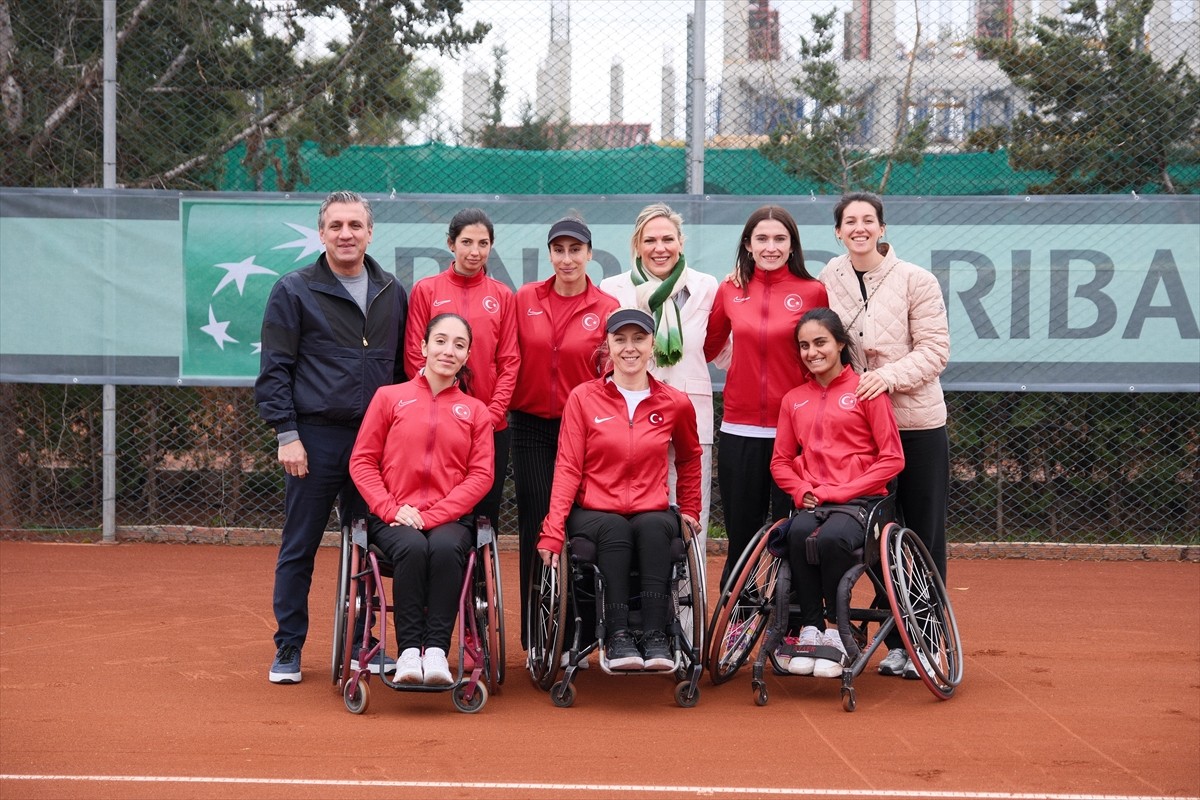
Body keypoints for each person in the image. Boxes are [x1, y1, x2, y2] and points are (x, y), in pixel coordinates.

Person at [255, 190, 408, 684]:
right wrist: (287, 433)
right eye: (336, 226)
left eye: (355, 226)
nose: (346, 234)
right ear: (322, 234)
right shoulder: (293, 289)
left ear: (370, 232)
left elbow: (406, 372)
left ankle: (367, 643)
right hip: (315, 440)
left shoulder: (392, 291)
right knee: (299, 545)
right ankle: (289, 649)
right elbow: (275, 368)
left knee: (370, 547)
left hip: (377, 445)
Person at [818, 191, 950, 680]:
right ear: (837, 231)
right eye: (849, 221)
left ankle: (924, 642)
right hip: (859, 433)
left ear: (881, 227)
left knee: (920, 535)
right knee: (869, 536)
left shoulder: (917, 280)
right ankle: (885, 635)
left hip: (916, 425)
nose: (859, 228)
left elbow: (936, 350)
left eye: (867, 220)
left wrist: (886, 376)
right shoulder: (828, 278)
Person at [536, 308, 703, 671]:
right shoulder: (583, 398)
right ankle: (617, 636)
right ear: (607, 346)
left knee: (656, 526)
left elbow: (690, 457)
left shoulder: (674, 402)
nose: (630, 348)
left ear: (652, 346)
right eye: (620, 339)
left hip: (649, 507)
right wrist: (552, 530)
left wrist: (690, 508)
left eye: (639, 339)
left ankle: (657, 635)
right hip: (595, 510)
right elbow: (567, 466)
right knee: (615, 530)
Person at [349, 313, 495, 686]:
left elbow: (481, 476)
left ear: (466, 356)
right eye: (441, 341)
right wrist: (391, 508)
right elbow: (363, 461)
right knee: (412, 549)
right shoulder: (389, 398)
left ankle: (436, 654)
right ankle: (410, 651)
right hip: (393, 516)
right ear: (423, 346)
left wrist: (433, 516)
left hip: (450, 520)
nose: (449, 350)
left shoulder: (476, 411)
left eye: (459, 345)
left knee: (446, 550)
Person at [769, 308, 904, 678]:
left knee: (831, 541)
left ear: (841, 344)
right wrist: (800, 489)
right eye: (804, 346)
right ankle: (811, 628)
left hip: (860, 504)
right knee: (795, 534)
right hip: (813, 502)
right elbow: (780, 462)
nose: (812, 352)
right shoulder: (793, 399)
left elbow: (892, 459)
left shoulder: (866, 390)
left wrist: (843, 490)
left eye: (820, 343)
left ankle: (837, 630)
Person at [704, 205, 829, 585]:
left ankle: (791, 624)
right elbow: (709, 346)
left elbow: (824, 357)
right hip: (739, 428)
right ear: (748, 244)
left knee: (791, 533)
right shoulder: (730, 289)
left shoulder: (813, 291)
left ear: (792, 246)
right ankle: (738, 622)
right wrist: (739, 365)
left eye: (779, 239)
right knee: (741, 535)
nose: (770, 247)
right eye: (762, 239)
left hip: (794, 433)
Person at [510, 216, 619, 652]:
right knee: (538, 528)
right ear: (550, 254)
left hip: (586, 432)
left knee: (582, 530)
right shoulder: (525, 298)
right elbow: (507, 357)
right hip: (531, 427)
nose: (567, 258)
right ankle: (537, 636)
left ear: (589, 254)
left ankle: (583, 635)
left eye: (576, 250)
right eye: (560, 250)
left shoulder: (607, 306)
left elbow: (612, 375)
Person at [599, 202, 727, 557]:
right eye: (650, 240)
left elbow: (718, 347)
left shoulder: (707, 286)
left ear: (681, 242)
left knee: (690, 514)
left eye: (668, 239)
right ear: (637, 246)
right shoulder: (612, 288)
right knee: (641, 512)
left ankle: (688, 612)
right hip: (631, 418)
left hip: (691, 415)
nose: (660, 248)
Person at [404, 208, 518, 530]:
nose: (474, 251)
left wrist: (492, 414)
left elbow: (509, 360)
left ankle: (480, 582)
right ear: (450, 244)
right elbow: (415, 354)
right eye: (466, 242)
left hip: (489, 426)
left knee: (484, 518)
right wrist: (437, 405)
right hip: (436, 420)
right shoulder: (426, 290)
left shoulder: (502, 296)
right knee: (439, 511)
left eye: (483, 243)